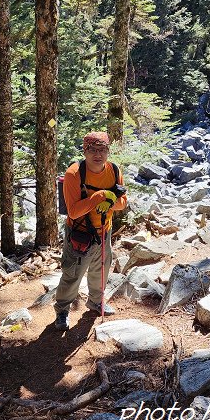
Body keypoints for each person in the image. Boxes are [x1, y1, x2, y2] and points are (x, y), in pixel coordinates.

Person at [54, 131, 128, 331]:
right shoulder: (74, 174)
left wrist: (111, 202)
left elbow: (122, 203)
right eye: (93, 150)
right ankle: (62, 310)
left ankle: (96, 301)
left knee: (100, 270)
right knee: (72, 274)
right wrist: (99, 197)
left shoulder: (113, 170)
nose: (98, 154)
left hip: (104, 230)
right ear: (85, 151)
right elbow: (73, 211)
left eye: (102, 149)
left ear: (108, 151)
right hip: (80, 232)